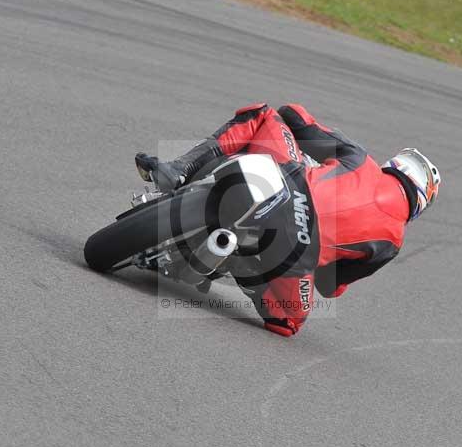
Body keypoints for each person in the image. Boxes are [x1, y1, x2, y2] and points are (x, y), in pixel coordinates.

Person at [135, 103, 440, 337]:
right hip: (295, 254)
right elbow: (328, 284)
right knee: (290, 321)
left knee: (263, 114)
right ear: (420, 203)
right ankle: (240, 264)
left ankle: (179, 170)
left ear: (395, 165)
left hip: (286, 183)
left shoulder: (361, 159)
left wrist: (306, 146)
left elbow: (293, 114)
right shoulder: (391, 243)